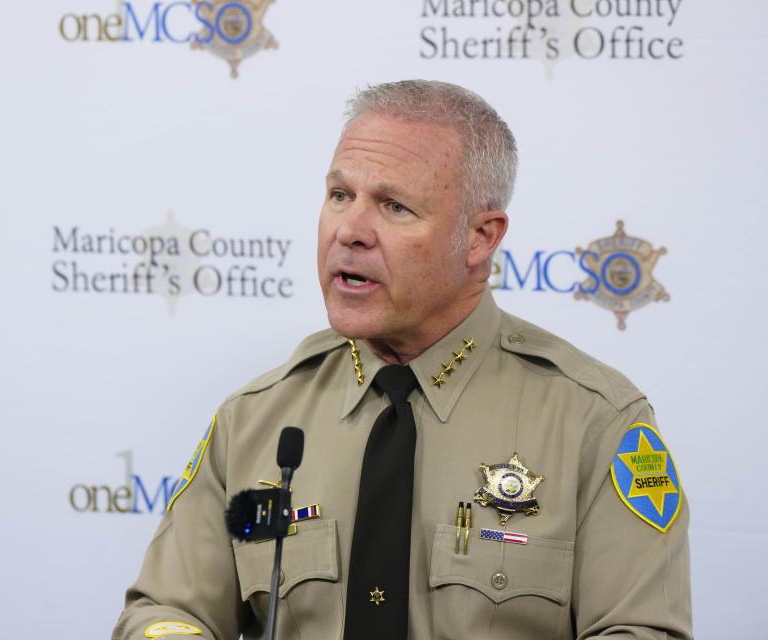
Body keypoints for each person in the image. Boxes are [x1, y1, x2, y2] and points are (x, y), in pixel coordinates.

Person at [112, 80, 692, 640]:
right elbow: (166, 609)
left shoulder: (596, 422)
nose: (350, 231)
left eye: (393, 206)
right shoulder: (254, 422)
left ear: (480, 237)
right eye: (340, 195)